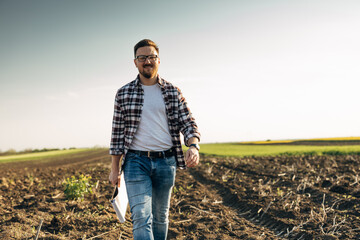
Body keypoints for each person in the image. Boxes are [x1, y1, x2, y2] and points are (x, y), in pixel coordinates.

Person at [109, 39, 201, 240]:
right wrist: (115, 168)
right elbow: (117, 133)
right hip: (135, 162)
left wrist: (193, 146)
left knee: (160, 216)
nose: (147, 61)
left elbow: (188, 123)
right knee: (141, 216)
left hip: (166, 162)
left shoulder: (172, 92)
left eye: (151, 57)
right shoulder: (123, 93)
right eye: (142, 57)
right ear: (135, 62)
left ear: (159, 60)